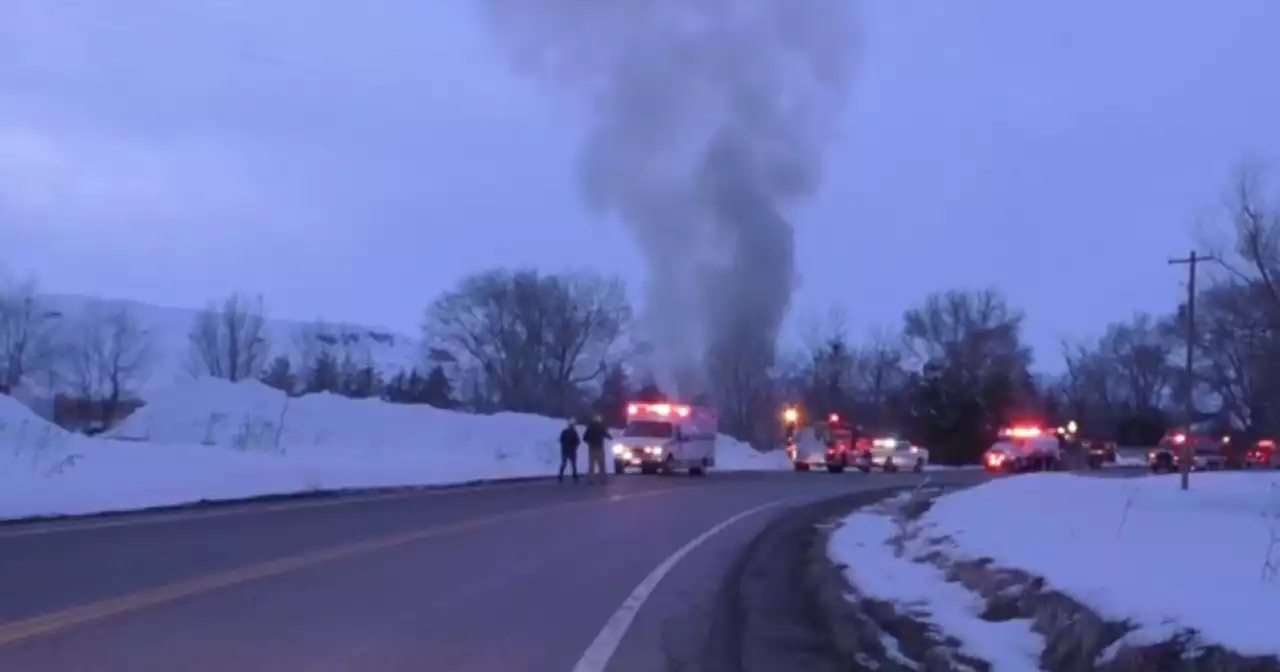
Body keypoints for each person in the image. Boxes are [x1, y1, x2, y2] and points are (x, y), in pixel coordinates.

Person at [582, 415, 613, 484]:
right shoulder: (601, 427)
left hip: (592, 448)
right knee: (601, 465)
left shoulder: (590, 427)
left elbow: (584, 438)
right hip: (600, 448)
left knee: (591, 465)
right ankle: (603, 481)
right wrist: (610, 437)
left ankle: (591, 481)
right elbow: (607, 435)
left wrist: (590, 443)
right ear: (599, 420)